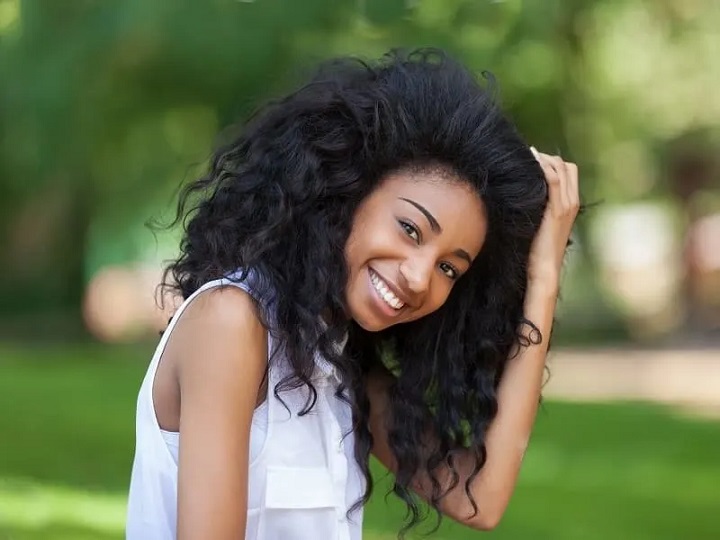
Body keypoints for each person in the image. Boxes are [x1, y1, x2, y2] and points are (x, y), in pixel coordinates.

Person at [125, 48, 580, 540]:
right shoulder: (230, 321)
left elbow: (480, 499)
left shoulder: (339, 365)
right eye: (410, 229)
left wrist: (544, 278)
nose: (420, 277)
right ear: (346, 193)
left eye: (450, 266)